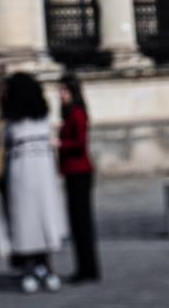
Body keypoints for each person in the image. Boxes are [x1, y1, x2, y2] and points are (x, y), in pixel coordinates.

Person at [1, 72, 67, 293]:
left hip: (23, 173)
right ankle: (44, 268)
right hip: (41, 172)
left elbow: (5, 145)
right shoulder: (43, 118)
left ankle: (34, 268)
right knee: (39, 218)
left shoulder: (13, 122)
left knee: (28, 219)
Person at [57, 74, 99, 283]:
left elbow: (80, 142)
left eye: (64, 90)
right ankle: (85, 266)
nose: (60, 95)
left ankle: (88, 268)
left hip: (80, 171)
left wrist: (59, 144)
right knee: (77, 222)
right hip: (72, 171)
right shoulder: (69, 113)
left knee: (82, 222)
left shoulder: (77, 113)